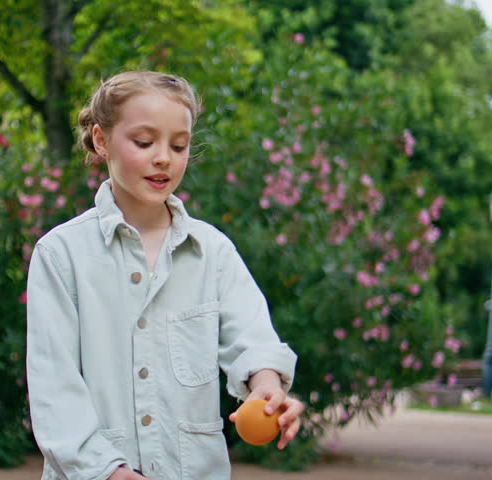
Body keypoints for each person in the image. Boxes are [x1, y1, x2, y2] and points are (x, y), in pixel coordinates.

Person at [26, 71, 303, 480]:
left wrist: (267, 386)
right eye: (144, 142)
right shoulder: (60, 254)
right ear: (101, 141)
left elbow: (253, 338)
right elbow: (55, 389)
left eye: (179, 145)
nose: (164, 158)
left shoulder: (214, 252)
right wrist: (107, 471)